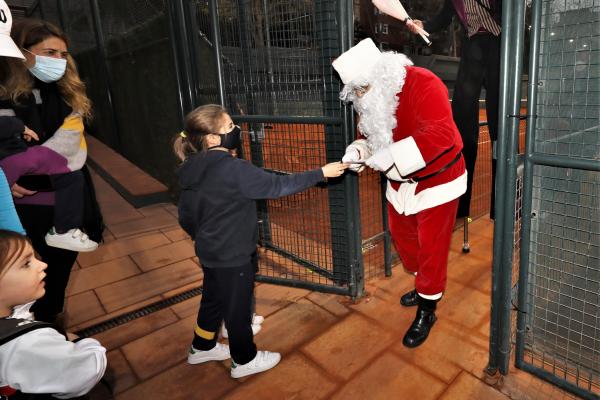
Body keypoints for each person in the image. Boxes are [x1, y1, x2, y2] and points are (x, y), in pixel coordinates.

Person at [174, 104, 347, 378]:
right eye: (230, 126)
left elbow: (185, 215)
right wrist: (320, 173)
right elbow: (277, 186)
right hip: (232, 253)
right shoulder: (233, 168)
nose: (237, 130)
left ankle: (202, 346)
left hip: (209, 251)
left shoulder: (191, 167)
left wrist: (204, 236)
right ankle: (244, 359)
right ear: (212, 138)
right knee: (237, 307)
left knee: (214, 299)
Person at [334, 38, 466, 347]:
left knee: (432, 247)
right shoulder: (370, 97)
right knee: (404, 238)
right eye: (354, 93)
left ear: (379, 75)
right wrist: (358, 150)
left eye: (361, 90)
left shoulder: (424, 82)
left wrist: (392, 155)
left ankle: (428, 307)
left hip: (439, 181)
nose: (358, 100)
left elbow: (441, 135)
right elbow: (368, 133)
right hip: (400, 183)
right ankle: (425, 285)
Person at [1, 18, 103, 324]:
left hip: (65, 202)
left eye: (62, 54)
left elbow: (71, 147)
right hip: (19, 209)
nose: (58, 61)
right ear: (23, 52)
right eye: (50, 52)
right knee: (18, 275)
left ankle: (54, 329)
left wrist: (15, 167)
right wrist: (5, 177)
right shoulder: (6, 94)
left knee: (56, 274)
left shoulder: (67, 93)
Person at [407, 0, 501, 218]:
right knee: (462, 125)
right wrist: (422, 25)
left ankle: (503, 204)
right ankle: (460, 204)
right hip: (472, 48)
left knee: (501, 127)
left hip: (499, 47)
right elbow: (441, 19)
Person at [0, 229, 107, 399]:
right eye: (26, 263)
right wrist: (83, 343)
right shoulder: (29, 342)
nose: (42, 264)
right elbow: (85, 372)